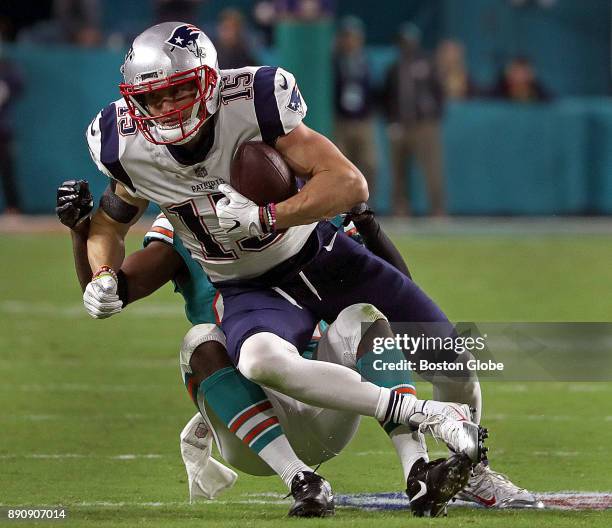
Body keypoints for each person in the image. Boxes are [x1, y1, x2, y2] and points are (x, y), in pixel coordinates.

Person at [82, 21, 490, 515]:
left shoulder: (253, 100)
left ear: (208, 82)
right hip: (248, 286)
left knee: (452, 360)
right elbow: (108, 224)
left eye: (180, 91)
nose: (166, 108)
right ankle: (425, 416)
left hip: (322, 256)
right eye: (154, 98)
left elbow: (349, 183)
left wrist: (265, 216)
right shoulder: (124, 144)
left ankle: (465, 472)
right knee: (256, 360)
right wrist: (104, 273)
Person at [59, 179, 541, 512]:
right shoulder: (183, 225)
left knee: (370, 318)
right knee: (203, 341)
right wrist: (84, 233)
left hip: (331, 395)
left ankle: (417, 470)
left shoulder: (286, 202)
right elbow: (114, 290)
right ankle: (301, 481)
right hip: (256, 425)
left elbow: (397, 297)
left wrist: (367, 225)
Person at [383, 23, 446, 217]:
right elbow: (387, 96)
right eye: (403, 42)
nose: (406, 45)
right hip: (400, 125)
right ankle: (401, 209)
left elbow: (439, 92)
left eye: (409, 41)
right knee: (399, 171)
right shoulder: (394, 68)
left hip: (424, 125)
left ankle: (437, 210)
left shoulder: (427, 63)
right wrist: (391, 120)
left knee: (431, 169)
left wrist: (432, 115)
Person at [333, 16, 377, 196]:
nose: (351, 41)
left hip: (363, 120)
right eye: (347, 36)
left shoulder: (365, 61)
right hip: (341, 121)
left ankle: (366, 204)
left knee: (370, 163)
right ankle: (343, 205)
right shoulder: (335, 61)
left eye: (354, 36)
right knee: (341, 165)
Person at [0, 45, 23, 214]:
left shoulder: (7, 71)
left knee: (7, 169)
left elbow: (17, 83)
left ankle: (13, 208)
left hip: (2, 130)